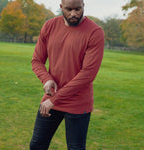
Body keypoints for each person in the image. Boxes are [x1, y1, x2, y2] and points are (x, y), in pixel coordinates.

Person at [30, 0, 104, 149]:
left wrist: (55, 99)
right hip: (51, 99)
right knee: (37, 145)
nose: (74, 14)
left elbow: (88, 74)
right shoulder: (49, 26)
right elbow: (37, 61)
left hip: (78, 103)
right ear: (61, 7)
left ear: (84, 5)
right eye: (69, 9)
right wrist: (46, 79)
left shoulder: (95, 32)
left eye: (78, 9)